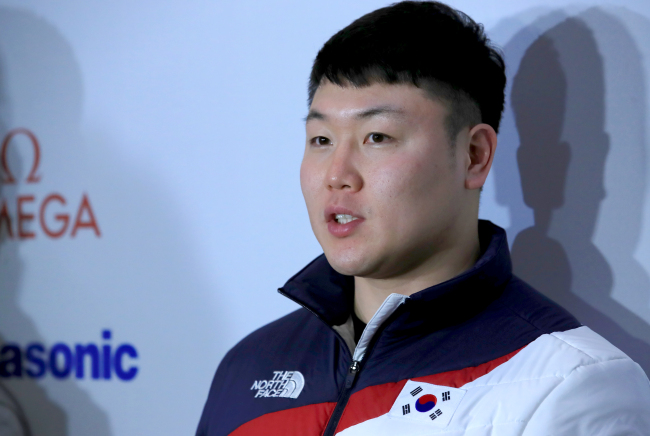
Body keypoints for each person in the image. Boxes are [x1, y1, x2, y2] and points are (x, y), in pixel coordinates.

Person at [196, 2, 650, 435]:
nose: (337, 175)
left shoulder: (570, 383)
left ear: (474, 156)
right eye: (320, 139)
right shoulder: (249, 366)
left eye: (377, 136)